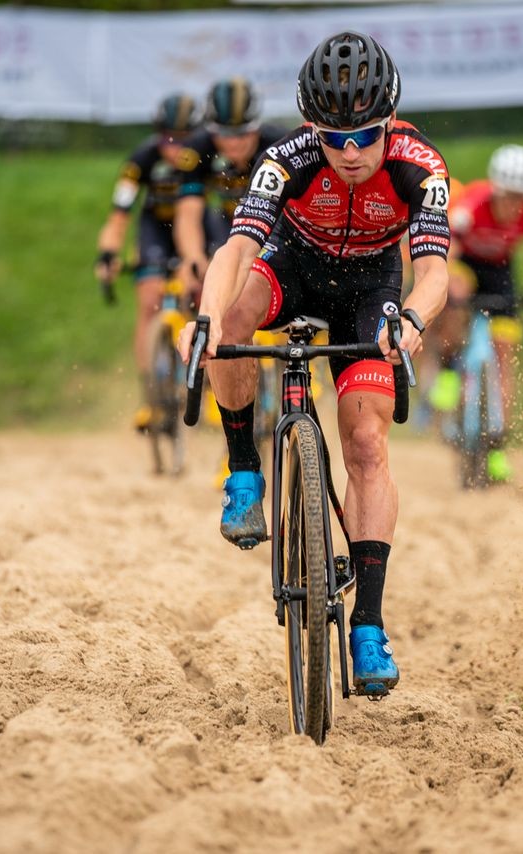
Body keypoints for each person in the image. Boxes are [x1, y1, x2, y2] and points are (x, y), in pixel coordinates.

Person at [177, 31, 450, 697]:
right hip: (294, 268)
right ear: (311, 128)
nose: (351, 152)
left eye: (366, 136)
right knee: (237, 316)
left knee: (364, 443)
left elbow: (434, 269)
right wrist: (207, 322)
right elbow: (235, 250)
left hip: (372, 291)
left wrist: (411, 321)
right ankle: (244, 474)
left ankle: (368, 625)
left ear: (390, 122)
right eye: (335, 138)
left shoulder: (421, 167)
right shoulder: (286, 158)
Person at [429, 144, 523, 482]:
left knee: (504, 356)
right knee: (456, 294)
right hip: (467, 265)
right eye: (508, 197)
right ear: (496, 190)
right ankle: (448, 368)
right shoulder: (471, 205)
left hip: (501, 275)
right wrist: (447, 282)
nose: (514, 206)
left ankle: (497, 445)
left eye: (521, 198)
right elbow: (448, 252)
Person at [94, 93, 202, 432]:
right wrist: (108, 254)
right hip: (155, 227)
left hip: (198, 224)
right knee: (149, 301)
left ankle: (209, 381)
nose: (175, 146)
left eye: (183, 138)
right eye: (168, 137)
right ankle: (150, 396)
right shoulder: (142, 158)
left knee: (202, 288)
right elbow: (119, 215)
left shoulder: (208, 155)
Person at [173, 78, 289, 294]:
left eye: (243, 132)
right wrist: (193, 257)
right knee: (199, 275)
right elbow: (188, 212)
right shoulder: (196, 150)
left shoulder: (280, 145)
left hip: (276, 225)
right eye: (225, 134)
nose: (234, 143)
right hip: (226, 223)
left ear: (256, 126)